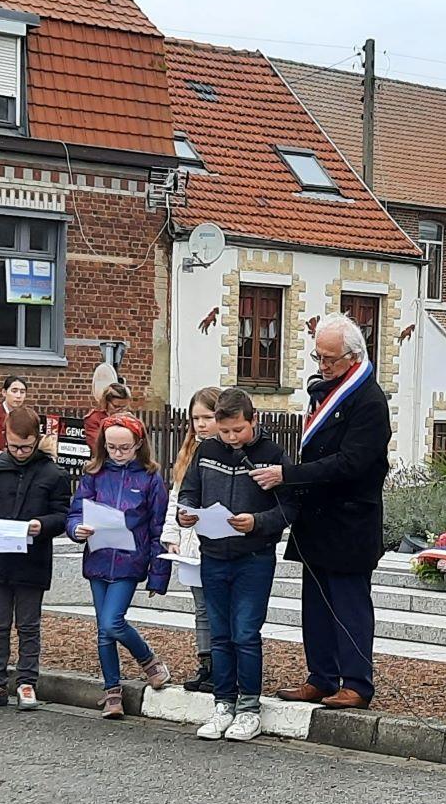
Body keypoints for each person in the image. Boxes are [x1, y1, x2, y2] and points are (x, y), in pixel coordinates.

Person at [252, 312, 390, 711]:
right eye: (318, 358)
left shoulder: (368, 400)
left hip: (349, 517)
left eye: (329, 359)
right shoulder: (326, 391)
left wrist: (289, 475)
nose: (322, 366)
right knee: (315, 603)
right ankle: (321, 675)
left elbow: (351, 463)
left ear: (353, 356)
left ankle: (357, 682)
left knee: (349, 603)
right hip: (318, 517)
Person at [174, 388, 295, 742]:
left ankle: (249, 707)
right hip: (213, 554)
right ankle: (222, 703)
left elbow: (288, 508)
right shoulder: (208, 450)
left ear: (253, 420)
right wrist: (186, 512)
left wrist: (257, 522)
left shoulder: (272, 455)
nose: (230, 438)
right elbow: (190, 489)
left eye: (237, 430)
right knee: (220, 633)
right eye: (224, 431)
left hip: (253, 557)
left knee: (245, 633)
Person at [67, 415, 172, 719]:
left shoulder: (150, 479)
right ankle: (112, 691)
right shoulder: (93, 474)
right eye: (112, 447)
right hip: (98, 557)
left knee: (113, 622)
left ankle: (148, 659)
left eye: (125, 447)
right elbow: (75, 513)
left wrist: (158, 574)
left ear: (138, 445)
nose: (118, 453)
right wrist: (77, 529)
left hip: (130, 561)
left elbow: (158, 529)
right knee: (103, 631)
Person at [0, 406, 69, 711]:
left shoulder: (54, 473)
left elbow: (62, 514)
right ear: (5, 439)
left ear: (37, 439)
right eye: (14, 446)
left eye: (26, 446)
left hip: (32, 559)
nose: (20, 452)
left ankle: (26, 681)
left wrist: (42, 525)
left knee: (28, 624)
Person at [163, 387, 222, 693]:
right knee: (200, 608)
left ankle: (224, 665)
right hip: (191, 544)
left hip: (218, 541)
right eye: (196, 418)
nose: (200, 424)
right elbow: (176, 497)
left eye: (207, 417)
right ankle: (206, 662)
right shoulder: (188, 453)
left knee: (218, 607)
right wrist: (171, 535)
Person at [83, 381, 132, 453]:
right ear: (106, 402)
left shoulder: (129, 418)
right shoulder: (94, 418)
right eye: (116, 406)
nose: (121, 410)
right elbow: (97, 447)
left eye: (124, 406)